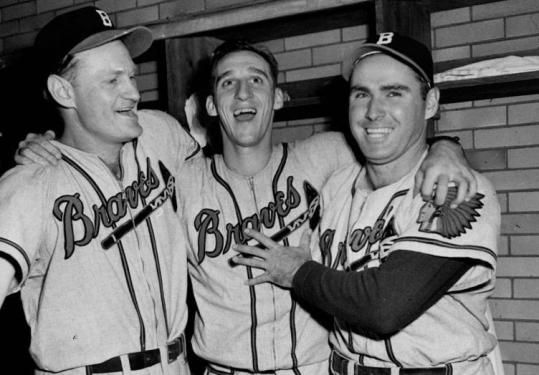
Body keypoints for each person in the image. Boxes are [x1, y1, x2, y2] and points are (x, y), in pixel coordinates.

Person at [15, 38, 478, 374]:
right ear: (210, 107)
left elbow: (396, 141)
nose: (243, 95)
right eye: (228, 83)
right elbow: (100, 155)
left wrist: (446, 146)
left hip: (316, 369)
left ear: (277, 98)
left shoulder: (330, 155)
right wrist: (49, 145)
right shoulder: (177, 176)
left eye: (257, 81)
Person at [232, 33, 501, 374]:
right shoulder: (336, 186)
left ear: (430, 103)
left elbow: (383, 307)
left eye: (393, 93)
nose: (374, 111)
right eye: (362, 94)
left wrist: (298, 272)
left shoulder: (456, 187)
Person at [0, 7, 199, 374]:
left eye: (132, 76)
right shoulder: (29, 183)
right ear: (63, 91)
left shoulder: (160, 132)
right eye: (112, 81)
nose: (134, 92)